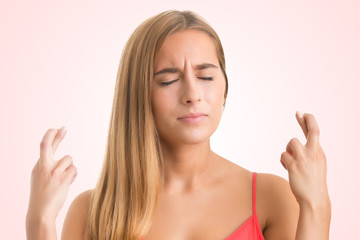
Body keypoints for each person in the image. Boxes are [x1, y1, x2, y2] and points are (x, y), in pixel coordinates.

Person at [26, 10, 331, 240]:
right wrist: (40, 221)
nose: (192, 95)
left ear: (224, 88)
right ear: (137, 94)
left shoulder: (271, 197)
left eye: (206, 76)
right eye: (169, 80)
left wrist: (317, 204)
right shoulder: (92, 211)